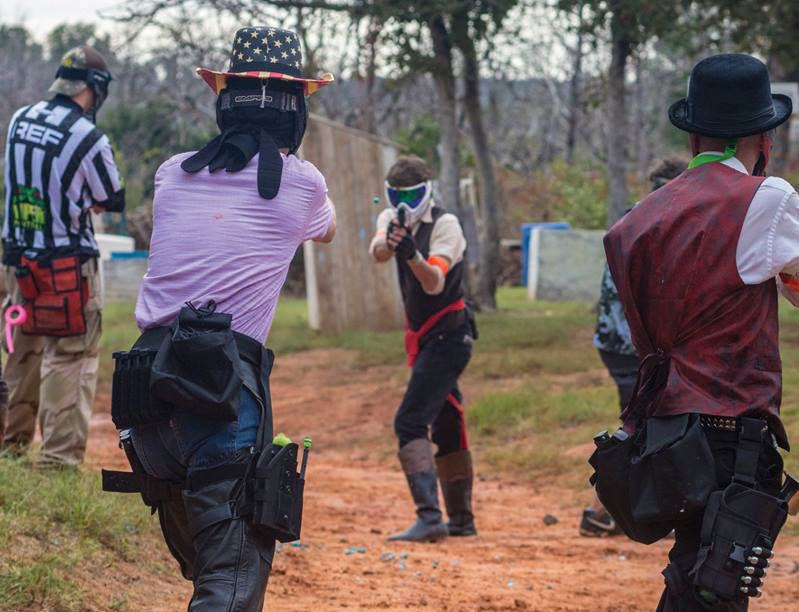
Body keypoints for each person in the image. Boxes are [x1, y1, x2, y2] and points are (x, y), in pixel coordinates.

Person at [102, 27, 335, 611]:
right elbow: (325, 230)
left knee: (209, 565)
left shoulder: (171, 173)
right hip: (219, 390)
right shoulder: (303, 184)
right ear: (295, 110)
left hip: (146, 391)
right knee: (230, 581)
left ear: (223, 101)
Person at [603, 54, 799, 611]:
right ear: (764, 133)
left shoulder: (638, 218)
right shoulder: (769, 198)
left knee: (697, 574)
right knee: (712, 588)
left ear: (693, 132)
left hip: (664, 429)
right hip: (732, 430)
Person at [1, 45, 123, 469]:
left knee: (21, 355)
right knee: (70, 359)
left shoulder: (20, 119)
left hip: (17, 264)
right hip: (69, 268)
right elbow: (110, 196)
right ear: (94, 90)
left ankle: (11, 449)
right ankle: (56, 464)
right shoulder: (87, 136)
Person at [368, 156, 477, 542]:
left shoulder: (446, 224)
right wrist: (392, 240)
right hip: (428, 337)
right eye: (396, 194)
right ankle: (461, 521)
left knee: (409, 421)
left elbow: (433, 282)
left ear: (427, 191)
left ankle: (430, 518)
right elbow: (377, 252)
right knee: (448, 423)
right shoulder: (392, 218)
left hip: (451, 336)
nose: (403, 201)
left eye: (411, 194)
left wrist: (412, 254)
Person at [581, 159, 685, 537]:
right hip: (636, 346)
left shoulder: (632, 218)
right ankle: (606, 511)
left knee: (644, 424)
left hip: (615, 342)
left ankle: (604, 513)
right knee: (642, 427)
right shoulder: (659, 225)